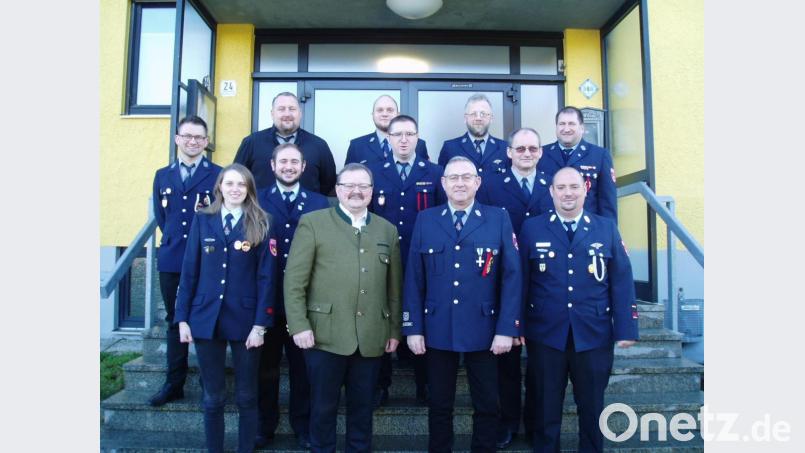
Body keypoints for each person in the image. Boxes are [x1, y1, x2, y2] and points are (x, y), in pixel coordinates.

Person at [403, 156, 522, 453]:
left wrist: (507, 328)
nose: (459, 183)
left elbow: (511, 276)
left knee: (486, 404)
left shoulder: (498, 218)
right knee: (439, 405)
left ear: (477, 182)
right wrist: (413, 328)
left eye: (466, 177)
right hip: (437, 327)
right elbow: (414, 278)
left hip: (485, 328)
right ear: (442, 183)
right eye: (453, 178)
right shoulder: (426, 219)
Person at [283, 163, 403, 453]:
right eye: (349, 185)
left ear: (372, 192)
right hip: (324, 335)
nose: (356, 191)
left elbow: (394, 288)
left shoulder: (386, 230)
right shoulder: (313, 222)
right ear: (337, 190)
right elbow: (294, 281)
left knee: (362, 411)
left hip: (371, 335)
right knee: (322, 409)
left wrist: (394, 329)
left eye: (363, 186)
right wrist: (299, 325)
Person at [519, 167, 639, 452]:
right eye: (560, 188)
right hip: (547, 335)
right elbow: (520, 281)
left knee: (592, 407)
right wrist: (516, 327)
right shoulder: (532, 228)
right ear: (551, 192)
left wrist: (626, 327)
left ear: (585, 189)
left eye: (574, 187)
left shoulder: (605, 227)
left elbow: (621, 280)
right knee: (546, 408)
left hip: (594, 334)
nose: (567, 193)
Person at [175, 163, 278, 453]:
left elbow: (266, 278)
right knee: (213, 397)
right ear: (219, 186)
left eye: (241, 185)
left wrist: (261, 325)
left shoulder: (262, 220)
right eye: (229, 183)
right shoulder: (203, 220)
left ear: (249, 189)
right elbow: (189, 271)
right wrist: (183, 318)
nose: (235, 189)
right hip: (206, 317)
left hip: (246, 322)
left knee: (246, 395)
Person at [478, 127, 552, 449]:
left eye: (532, 148)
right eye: (519, 148)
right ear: (508, 152)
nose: (526, 153)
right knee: (506, 362)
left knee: (542, 363)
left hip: (546, 283)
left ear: (540, 152)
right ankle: (507, 422)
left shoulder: (555, 184)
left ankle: (536, 423)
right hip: (503, 280)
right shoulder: (492, 184)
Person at [366, 115, 445, 408]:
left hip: (423, 259)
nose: (403, 139)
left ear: (417, 138)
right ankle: (381, 383)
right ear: (388, 138)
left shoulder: (435, 173)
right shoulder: (373, 172)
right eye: (397, 134)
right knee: (382, 316)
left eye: (409, 134)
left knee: (422, 317)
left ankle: (424, 383)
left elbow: (440, 219)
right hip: (381, 258)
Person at [255, 143, 330, 449]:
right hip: (267, 299)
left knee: (305, 372)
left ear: (303, 168)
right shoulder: (256, 199)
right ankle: (264, 426)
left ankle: (303, 427)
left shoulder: (320, 202)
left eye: (294, 162)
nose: (288, 166)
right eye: (282, 161)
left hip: (305, 302)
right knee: (265, 369)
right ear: (272, 166)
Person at [149, 115, 222, 407]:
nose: (193, 141)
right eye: (187, 136)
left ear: (206, 142)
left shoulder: (218, 174)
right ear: (178, 138)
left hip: (207, 260)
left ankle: (209, 382)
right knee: (174, 321)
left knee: (206, 321)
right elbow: (161, 216)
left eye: (199, 137)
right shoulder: (162, 175)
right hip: (172, 257)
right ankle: (174, 383)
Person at [234, 92, 337, 195]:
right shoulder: (252, 142)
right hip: (261, 210)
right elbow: (237, 177)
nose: (287, 114)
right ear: (272, 113)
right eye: (281, 109)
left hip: (308, 210)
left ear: (300, 113)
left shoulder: (319, 145)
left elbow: (328, 182)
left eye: (292, 109)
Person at [537, 106, 617, 220]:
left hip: (587, 229)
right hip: (548, 227)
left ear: (582, 128)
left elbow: (607, 201)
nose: (566, 128)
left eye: (571, 124)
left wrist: (609, 234)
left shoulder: (599, 155)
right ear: (556, 127)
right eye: (562, 124)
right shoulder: (541, 154)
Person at [344, 94, 429, 166]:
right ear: (373, 115)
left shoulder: (419, 144)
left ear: (398, 114)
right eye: (380, 110)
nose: (384, 114)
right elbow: (347, 179)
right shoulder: (357, 146)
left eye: (390, 110)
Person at [437, 93, 509, 176]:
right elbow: (442, 183)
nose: (478, 118)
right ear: (465, 118)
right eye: (473, 114)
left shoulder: (505, 148)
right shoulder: (450, 147)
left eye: (483, 114)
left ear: (491, 118)